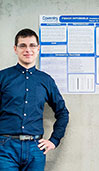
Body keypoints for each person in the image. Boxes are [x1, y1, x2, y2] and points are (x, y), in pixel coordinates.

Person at [0, 28, 69, 170]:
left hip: (35, 148)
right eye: (22, 45)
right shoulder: (3, 77)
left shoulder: (46, 80)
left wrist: (53, 141)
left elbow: (63, 113)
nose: (28, 50)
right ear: (15, 49)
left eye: (32, 45)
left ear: (38, 49)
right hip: (5, 148)